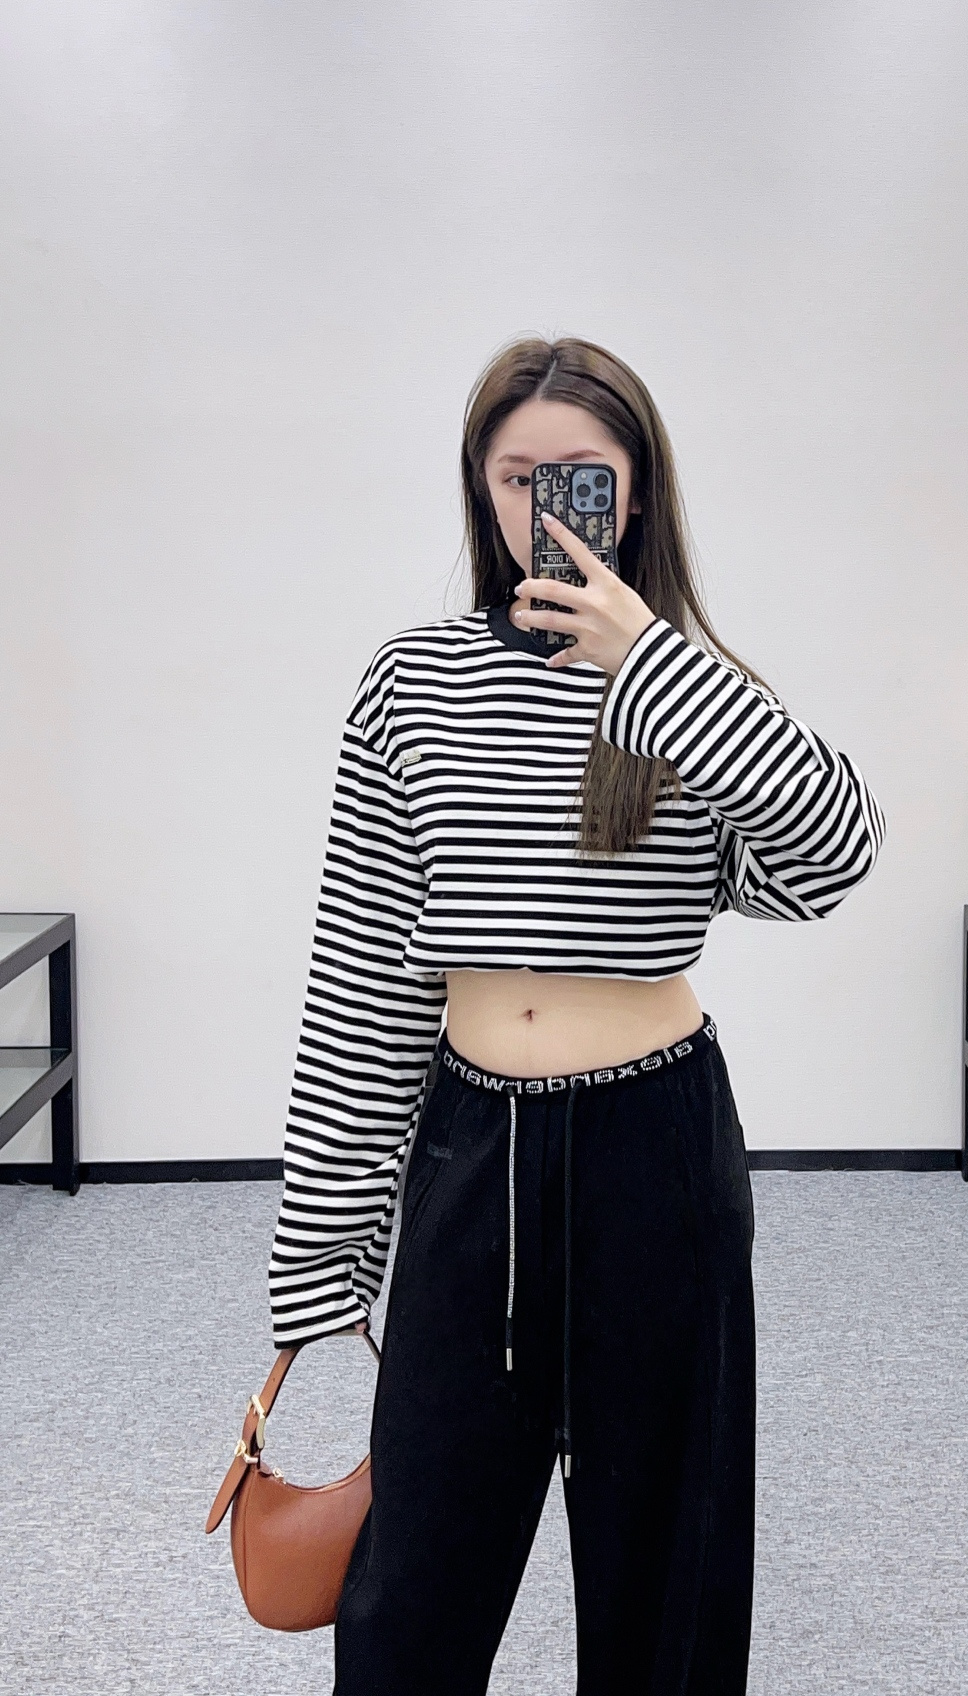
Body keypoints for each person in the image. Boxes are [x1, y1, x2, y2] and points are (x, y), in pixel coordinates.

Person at [268, 337, 885, 1696]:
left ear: (637, 490)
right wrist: (321, 1249)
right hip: (470, 1149)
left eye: (581, 476)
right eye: (516, 476)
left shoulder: (693, 687)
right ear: (480, 490)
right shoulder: (412, 679)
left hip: (653, 1147)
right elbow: (365, 976)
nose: (545, 505)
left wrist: (652, 667)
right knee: (411, 1586)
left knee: (666, 1571)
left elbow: (833, 856)